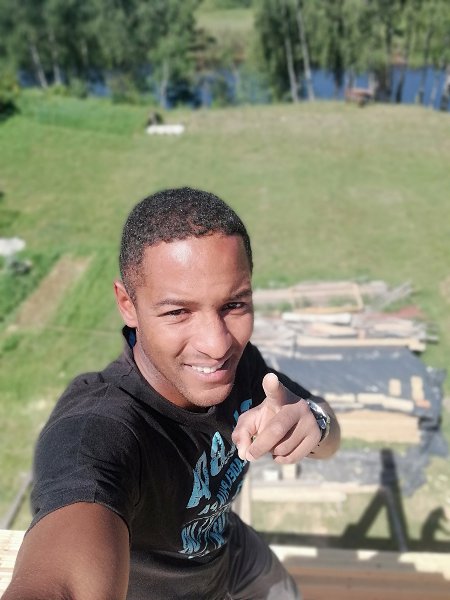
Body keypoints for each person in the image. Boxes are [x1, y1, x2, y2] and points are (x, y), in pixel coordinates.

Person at [3, 187, 340, 600]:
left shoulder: (244, 365)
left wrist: (315, 422)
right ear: (128, 304)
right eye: (178, 312)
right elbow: (63, 579)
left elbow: (328, 432)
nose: (217, 345)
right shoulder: (97, 432)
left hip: (230, 554)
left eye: (234, 305)